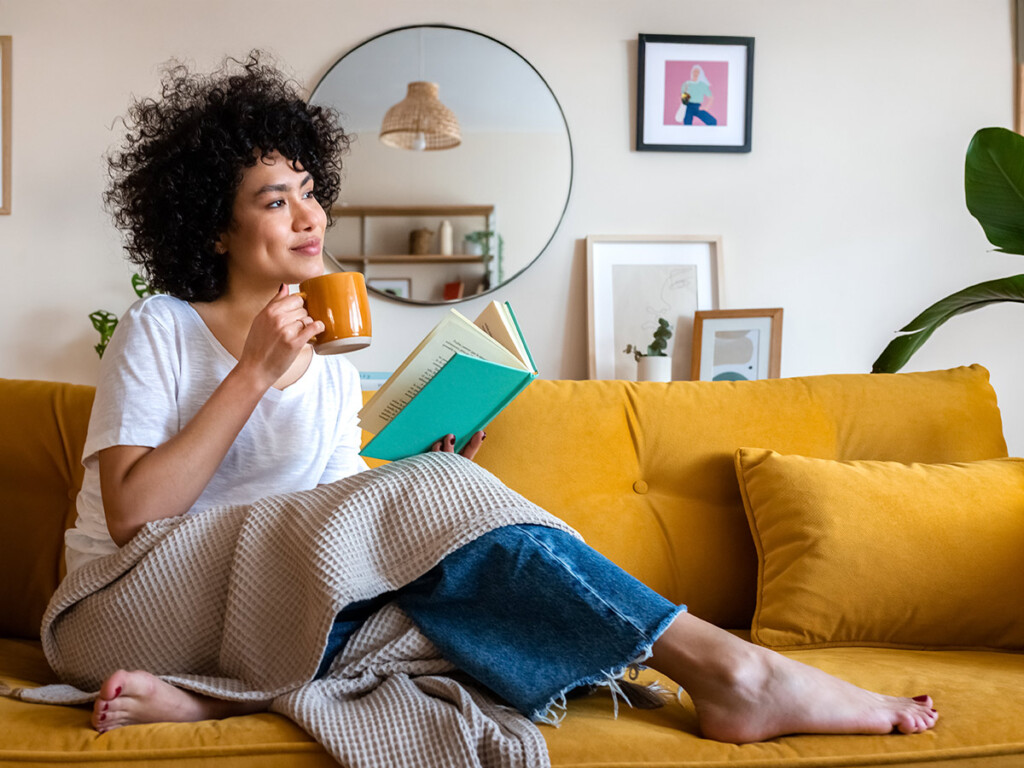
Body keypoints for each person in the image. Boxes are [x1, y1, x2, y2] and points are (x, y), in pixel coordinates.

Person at [64, 52, 938, 746]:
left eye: (311, 190)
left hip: (257, 610)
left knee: (447, 599)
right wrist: (251, 374)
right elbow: (136, 515)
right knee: (439, 567)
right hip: (123, 607)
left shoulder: (329, 364)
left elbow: (324, 528)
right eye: (274, 199)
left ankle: (216, 701)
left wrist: (421, 479)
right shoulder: (163, 328)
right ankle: (735, 671)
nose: (309, 216)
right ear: (214, 229)